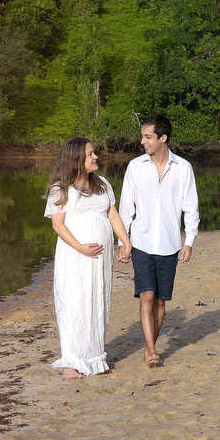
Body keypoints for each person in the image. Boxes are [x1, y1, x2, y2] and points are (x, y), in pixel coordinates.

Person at [44, 137, 133, 380]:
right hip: (75, 256)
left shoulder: (102, 184)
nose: (96, 157)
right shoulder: (60, 189)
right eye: (90, 154)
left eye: (94, 153)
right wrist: (80, 247)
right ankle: (71, 362)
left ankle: (94, 356)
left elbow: (113, 215)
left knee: (97, 301)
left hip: (100, 259)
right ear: (76, 159)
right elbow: (58, 225)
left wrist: (126, 242)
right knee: (74, 302)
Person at [116, 115, 199, 368]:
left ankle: (150, 344)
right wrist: (123, 240)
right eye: (142, 136)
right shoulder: (135, 167)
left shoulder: (183, 168)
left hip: (170, 244)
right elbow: (125, 207)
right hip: (141, 242)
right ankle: (151, 349)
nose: (142, 142)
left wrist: (189, 240)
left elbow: (191, 207)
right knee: (147, 296)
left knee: (161, 300)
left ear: (163, 138)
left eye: (147, 137)